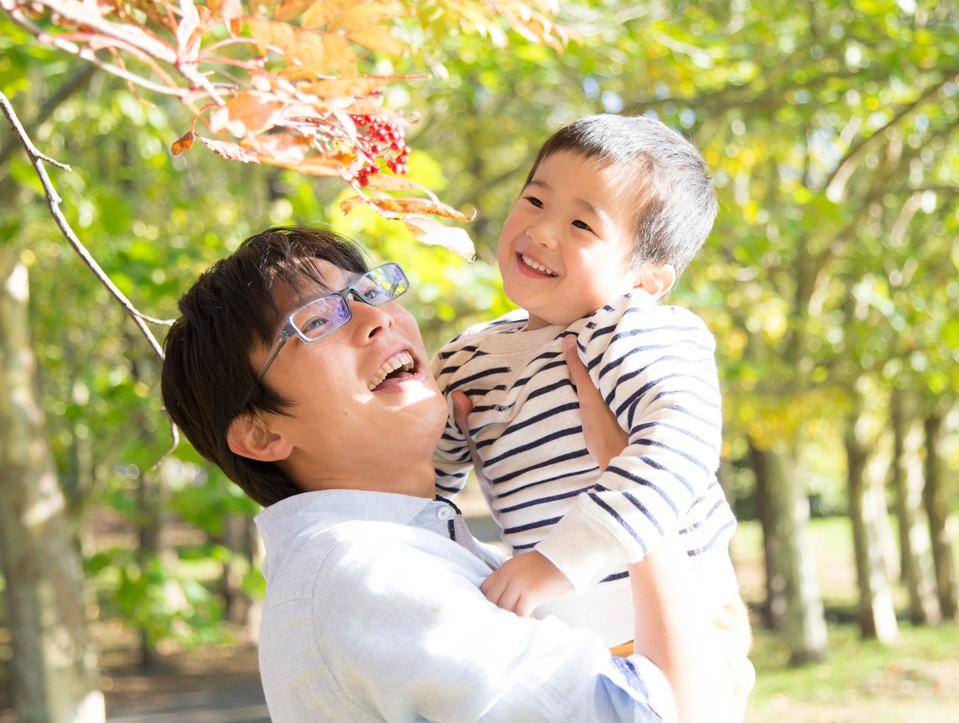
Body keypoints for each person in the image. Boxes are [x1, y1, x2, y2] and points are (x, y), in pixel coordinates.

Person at [160, 225, 734, 722]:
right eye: (316, 319)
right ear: (262, 434)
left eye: (369, 291)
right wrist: (636, 485)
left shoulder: (412, 556)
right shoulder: (363, 575)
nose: (376, 318)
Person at [431, 113, 754, 713]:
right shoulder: (468, 360)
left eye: (582, 223)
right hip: (563, 634)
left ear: (646, 280)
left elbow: (675, 450)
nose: (543, 231)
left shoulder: (639, 331)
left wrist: (557, 562)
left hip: (686, 620)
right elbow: (426, 485)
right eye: (534, 200)